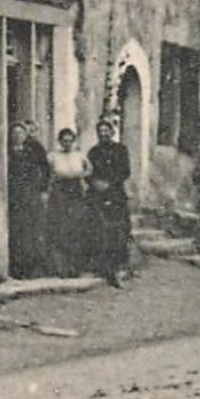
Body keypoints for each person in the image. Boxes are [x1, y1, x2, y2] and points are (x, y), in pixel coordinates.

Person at [86, 117, 132, 287]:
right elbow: (88, 171)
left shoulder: (121, 150)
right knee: (97, 228)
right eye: (101, 131)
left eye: (107, 131)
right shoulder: (93, 151)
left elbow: (125, 171)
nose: (103, 134)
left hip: (115, 194)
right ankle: (99, 264)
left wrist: (110, 183)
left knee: (118, 229)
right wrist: (94, 183)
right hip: (97, 194)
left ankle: (118, 265)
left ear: (112, 133)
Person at [45, 127, 90, 277]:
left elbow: (90, 169)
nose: (67, 143)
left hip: (75, 189)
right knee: (61, 227)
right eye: (64, 141)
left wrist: (82, 176)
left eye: (70, 141)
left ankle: (75, 267)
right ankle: (61, 268)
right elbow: (48, 172)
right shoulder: (53, 156)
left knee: (75, 227)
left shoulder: (80, 156)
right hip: (60, 191)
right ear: (60, 141)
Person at [8, 120, 49, 278]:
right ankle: (16, 267)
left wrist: (40, 189)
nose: (17, 136)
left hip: (29, 195)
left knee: (30, 231)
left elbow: (42, 170)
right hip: (14, 197)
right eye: (15, 134)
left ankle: (30, 267)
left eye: (21, 133)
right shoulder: (8, 153)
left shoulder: (31, 152)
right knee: (16, 232)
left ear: (25, 136)